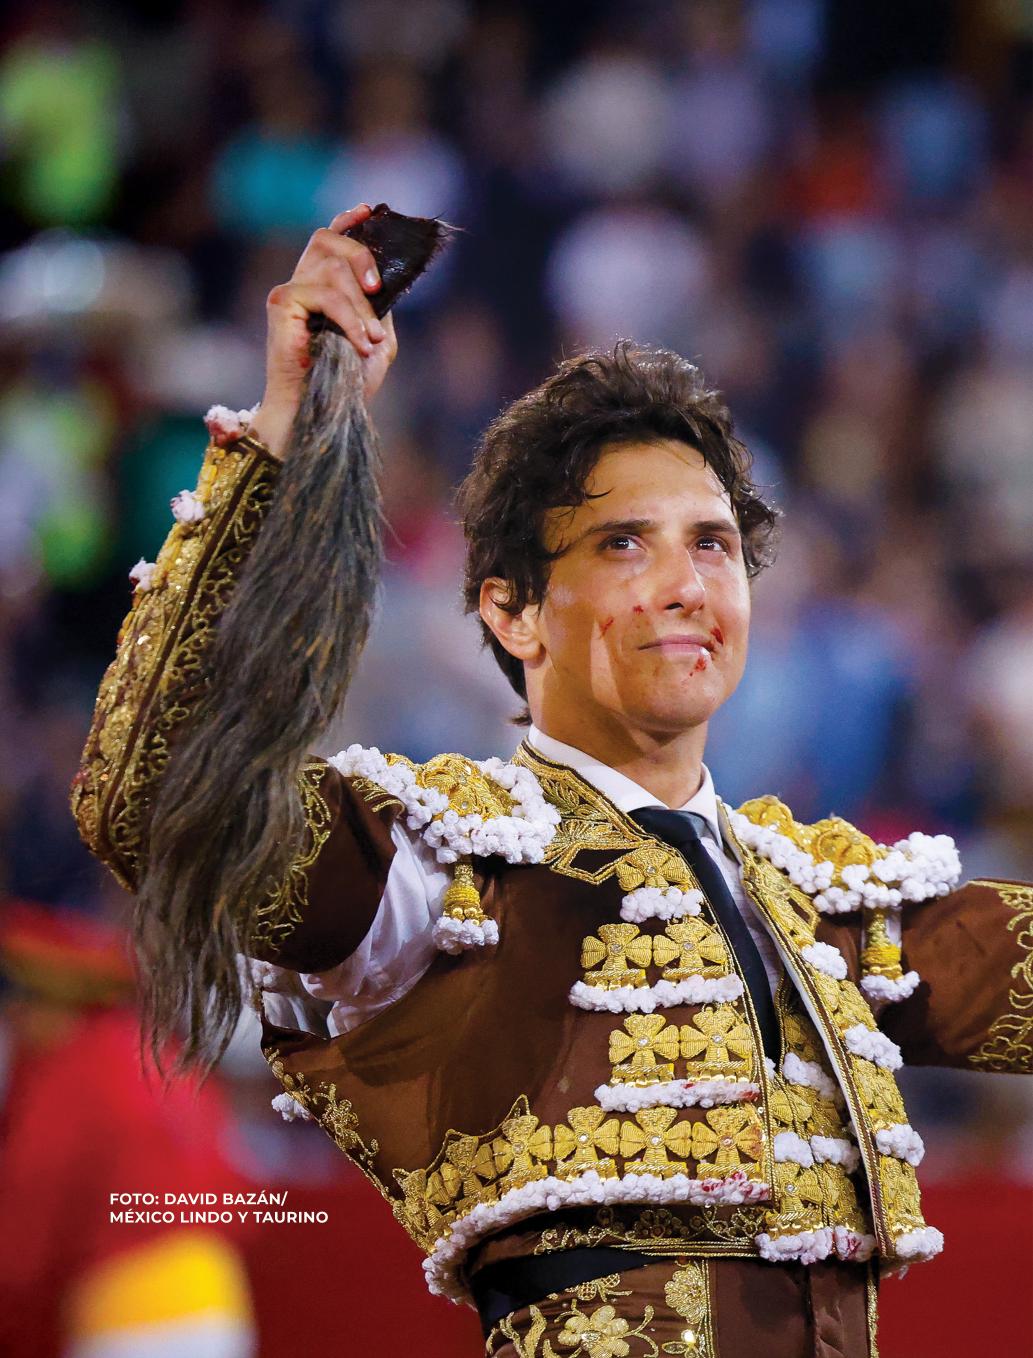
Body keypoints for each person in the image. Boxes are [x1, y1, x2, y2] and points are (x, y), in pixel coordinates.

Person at [72, 202, 1031, 1357]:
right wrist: (283, 437)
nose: (685, 583)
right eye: (624, 542)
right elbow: (159, 796)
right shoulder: (441, 870)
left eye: (712, 542)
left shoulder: (822, 904)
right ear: (513, 612)